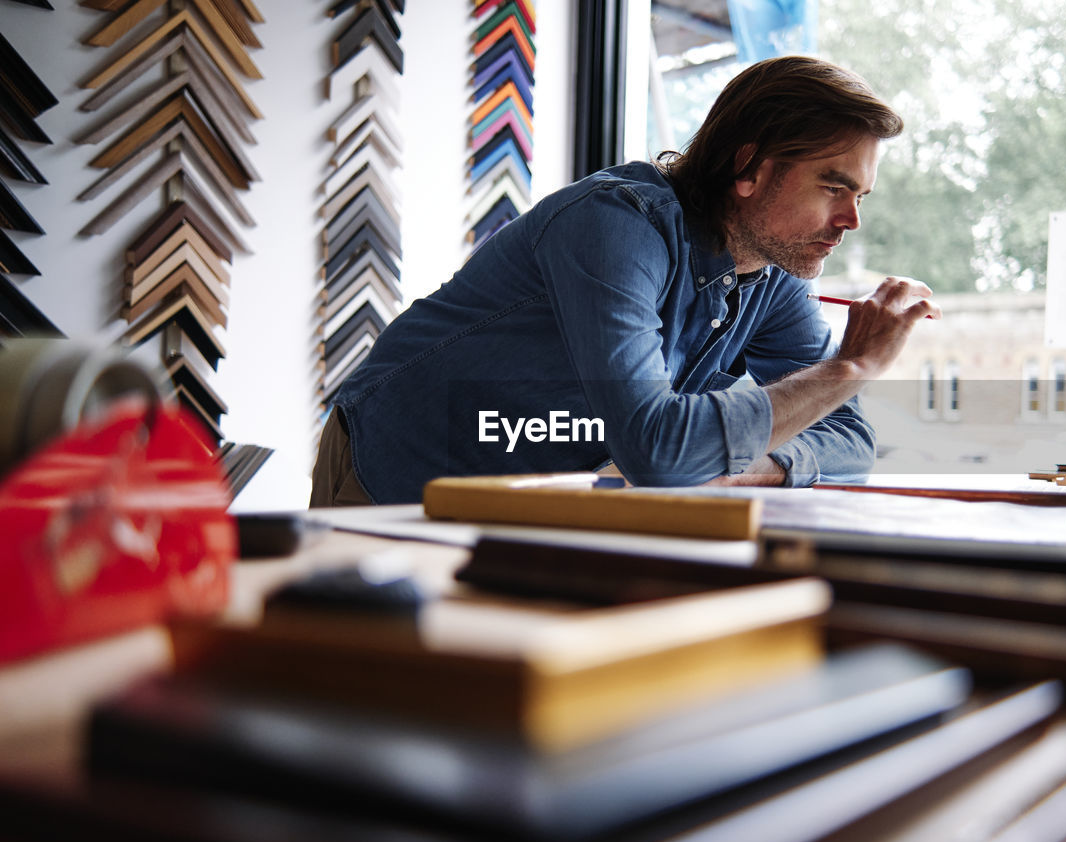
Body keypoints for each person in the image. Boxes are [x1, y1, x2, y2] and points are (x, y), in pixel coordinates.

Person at [310, 55, 938, 507]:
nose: (851, 220)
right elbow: (658, 451)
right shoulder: (614, 225)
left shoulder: (773, 272)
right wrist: (849, 369)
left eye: (861, 195)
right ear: (748, 167)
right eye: (834, 187)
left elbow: (850, 440)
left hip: (534, 497)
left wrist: (743, 469)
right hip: (398, 471)